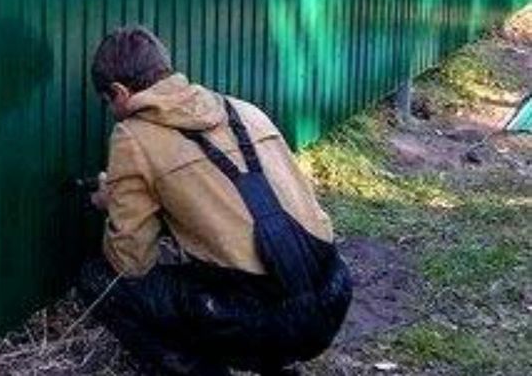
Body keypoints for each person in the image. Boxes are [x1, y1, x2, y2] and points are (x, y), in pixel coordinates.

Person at [79, 26, 352, 376]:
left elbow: (130, 262)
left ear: (119, 91)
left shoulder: (133, 136)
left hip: (264, 321)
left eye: (109, 103)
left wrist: (113, 202)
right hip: (333, 292)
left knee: (98, 280)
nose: (113, 111)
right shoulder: (243, 110)